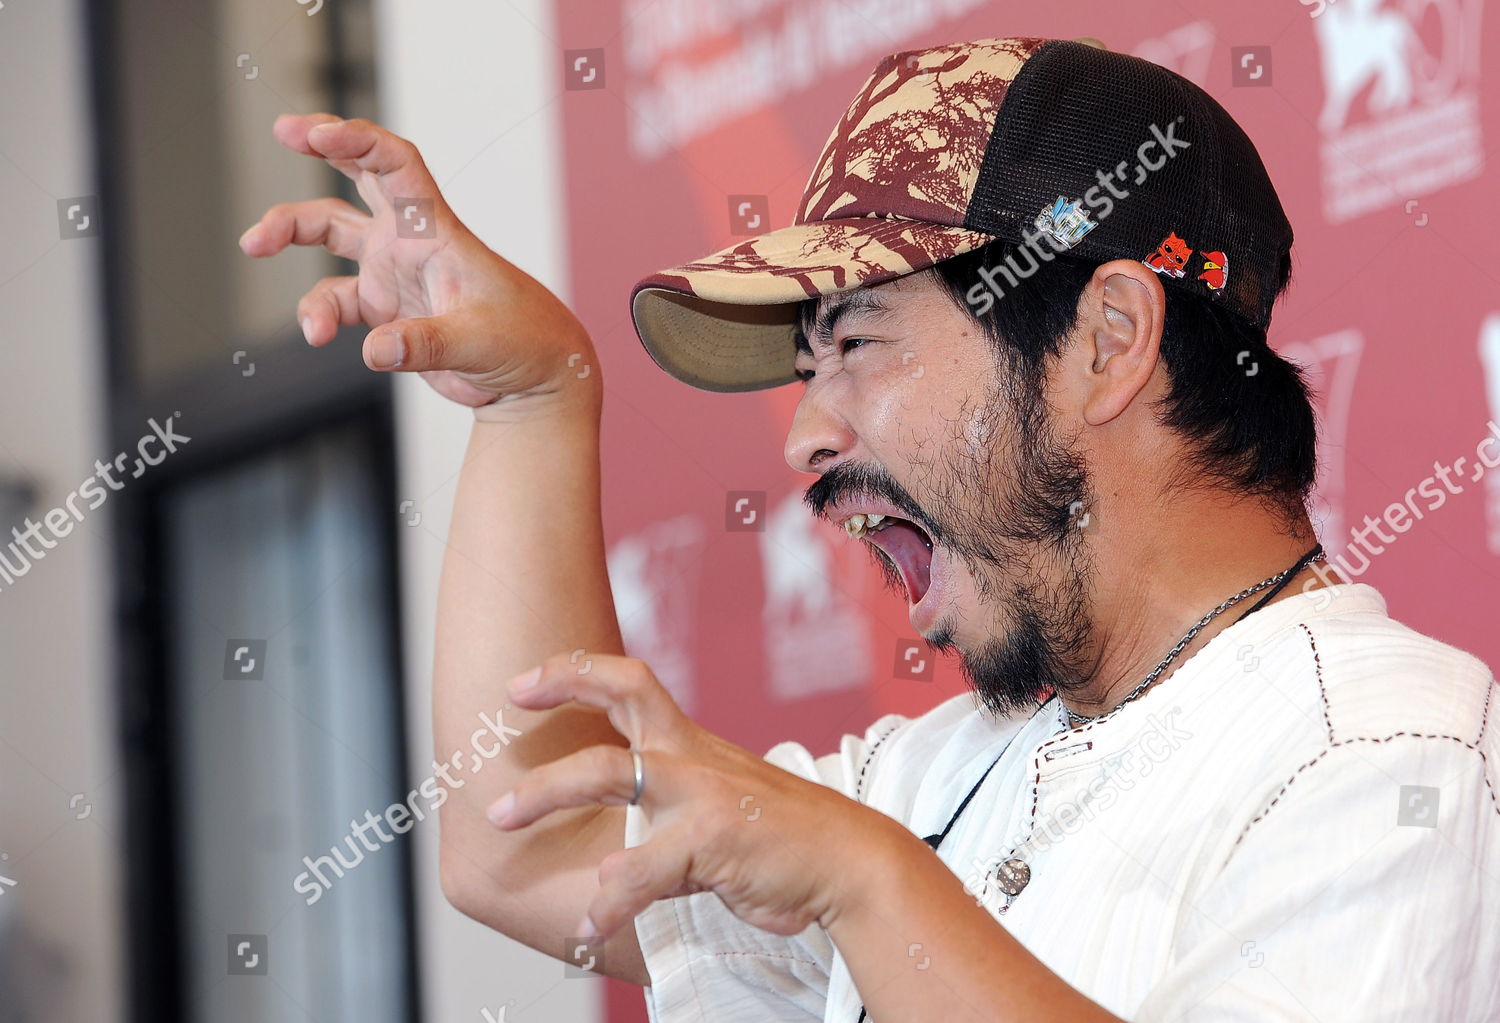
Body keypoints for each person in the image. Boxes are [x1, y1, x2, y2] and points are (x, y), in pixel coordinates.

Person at [240, 36, 1499, 1023]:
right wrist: (534, 402)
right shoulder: (938, 774)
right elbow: (531, 847)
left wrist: (864, 881)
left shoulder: (1395, 752)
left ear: (1107, 342)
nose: (802, 437)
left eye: (854, 344)